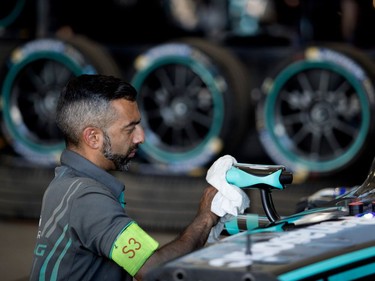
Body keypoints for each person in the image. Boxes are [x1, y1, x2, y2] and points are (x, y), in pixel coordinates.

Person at [29, 74, 248, 281]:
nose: (141, 137)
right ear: (93, 137)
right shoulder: (86, 197)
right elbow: (151, 269)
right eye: (130, 128)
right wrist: (206, 217)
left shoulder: (65, 183)